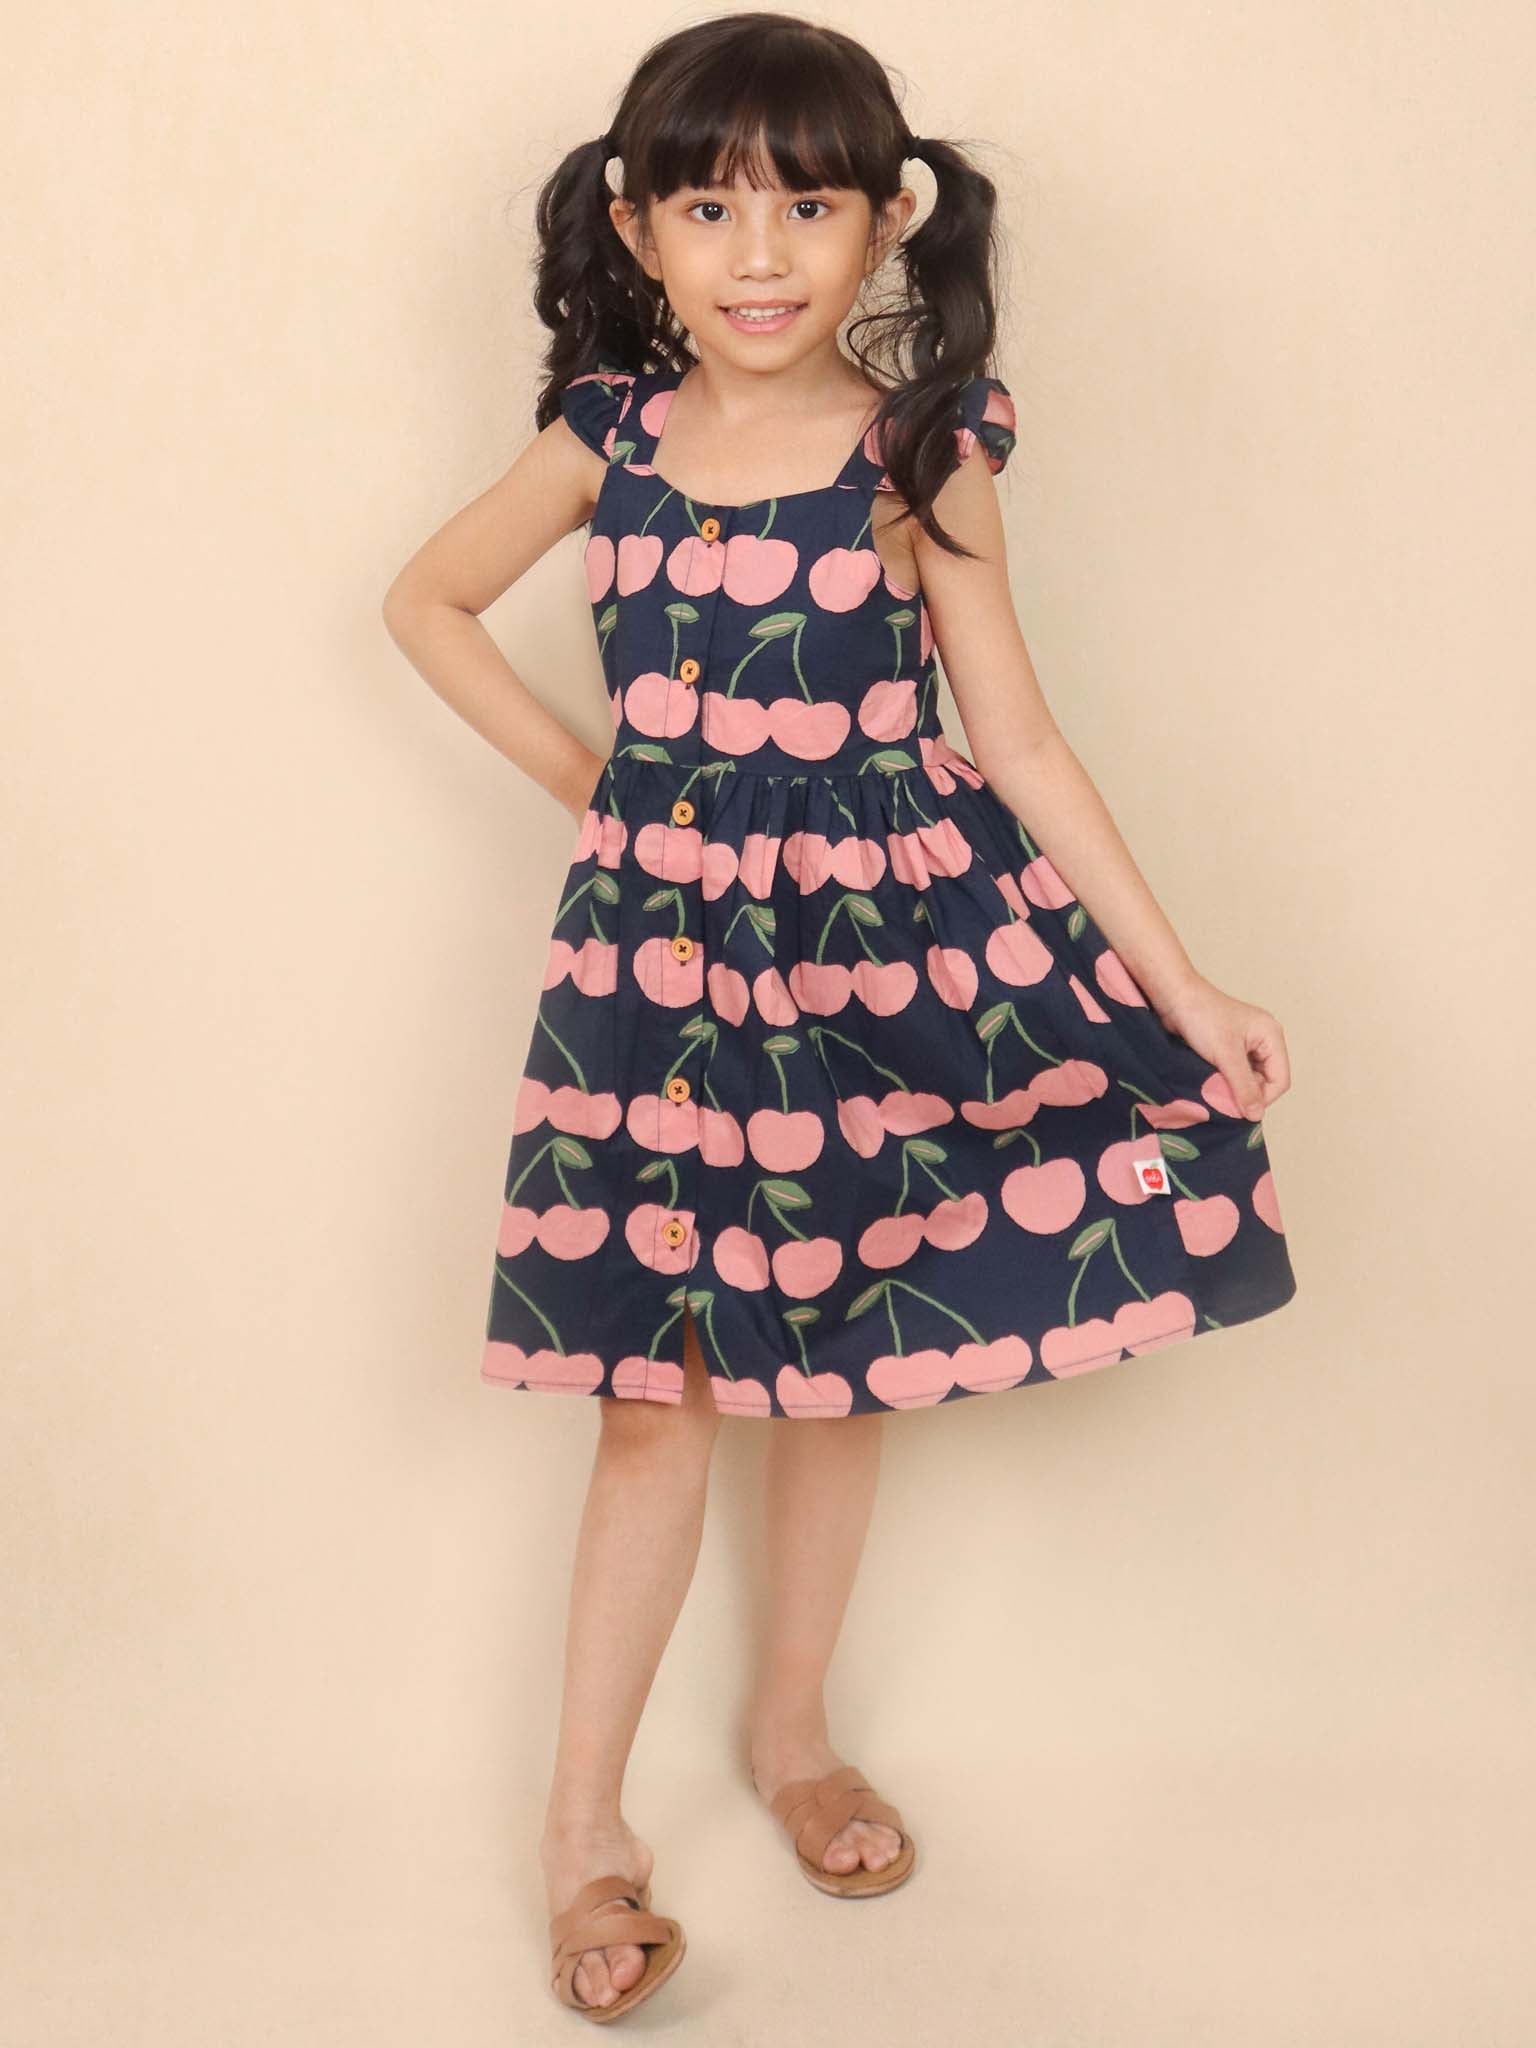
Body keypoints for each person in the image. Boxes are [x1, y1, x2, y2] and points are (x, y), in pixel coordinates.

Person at [382, 10, 1297, 2022]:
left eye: (809, 201)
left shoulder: (919, 445)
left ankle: (791, 1735)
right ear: (637, 229)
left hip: (888, 960)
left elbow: (1025, 740)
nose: (762, 250)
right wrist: (598, 787)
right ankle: (582, 1835)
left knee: (844, 1362)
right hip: (664, 970)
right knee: (655, 1394)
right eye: (710, 205)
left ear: (886, 222)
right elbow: (425, 600)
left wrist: (1183, 978)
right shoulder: (607, 433)